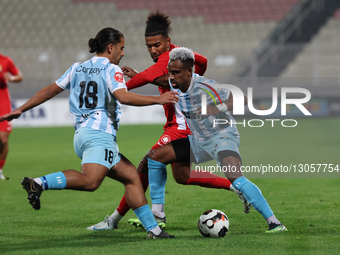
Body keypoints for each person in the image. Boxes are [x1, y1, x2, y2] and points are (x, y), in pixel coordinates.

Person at [0, 27, 179, 239]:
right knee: (91, 181)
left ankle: (154, 230)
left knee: (132, 177)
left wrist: (21, 109)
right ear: (110, 47)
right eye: (121, 48)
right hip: (98, 135)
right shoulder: (111, 69)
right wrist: (157, 99)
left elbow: (51, 90)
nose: (123, 53)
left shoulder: (77, 67)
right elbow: (123, 96)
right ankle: (39, 182)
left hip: (83, 135)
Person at [86, 11, 250, 231]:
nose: (153, 50)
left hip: (181, 127)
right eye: (149, 46)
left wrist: (120, 88)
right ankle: (235, 187)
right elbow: (196, 64)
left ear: (167, 42)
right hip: (180, 125)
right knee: (182, 176)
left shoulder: (168, 57)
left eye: (157, 45)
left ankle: (121, 219)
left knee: (145, 164)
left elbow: (150, 76)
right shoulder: (176, 60)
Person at [145, 47, 287, 233]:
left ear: (190, 72)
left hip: (222, 136)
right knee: (155, 157)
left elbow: (242, 98)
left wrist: (217, 108)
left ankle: (274, 223)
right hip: (198, 141)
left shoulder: (206, 86)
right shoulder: (175, 83)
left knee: (236, 178)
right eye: (170, 72)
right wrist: (136, 76)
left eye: (176, 73)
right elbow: (159, 79)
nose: (171, 77)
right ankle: (158, 214)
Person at [0, 54, 23, 180]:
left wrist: (11, 78)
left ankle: (0, 169)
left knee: (3, 140)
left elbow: (20, 76)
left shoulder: (6, 60)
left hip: (2, 105)